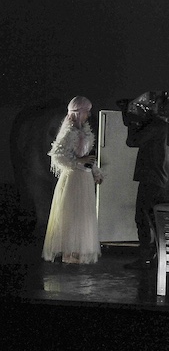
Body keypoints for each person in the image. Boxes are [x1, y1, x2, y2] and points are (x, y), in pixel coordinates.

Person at [42, 96, 103, 264]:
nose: (88, 115)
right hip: (73, 178)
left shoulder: (86, 131)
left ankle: (77, 251)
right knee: (72, 214)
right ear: (78, 113)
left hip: (84, 178)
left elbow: (88, 157)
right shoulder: (68, 132)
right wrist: (78, 161)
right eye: (86, 112)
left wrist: (96, 172)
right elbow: (57, 155)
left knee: (83, 215)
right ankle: (69, 251)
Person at [123, 91, 169, 269]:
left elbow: (132, 141)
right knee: (154, 220)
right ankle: (157, 256)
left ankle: (146, 257)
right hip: (159, 178)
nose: (150, 105)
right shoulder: (167, 126)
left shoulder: (157, 125)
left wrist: (132, 120)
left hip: (150, 177)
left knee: (142, 219)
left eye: (154, 104)